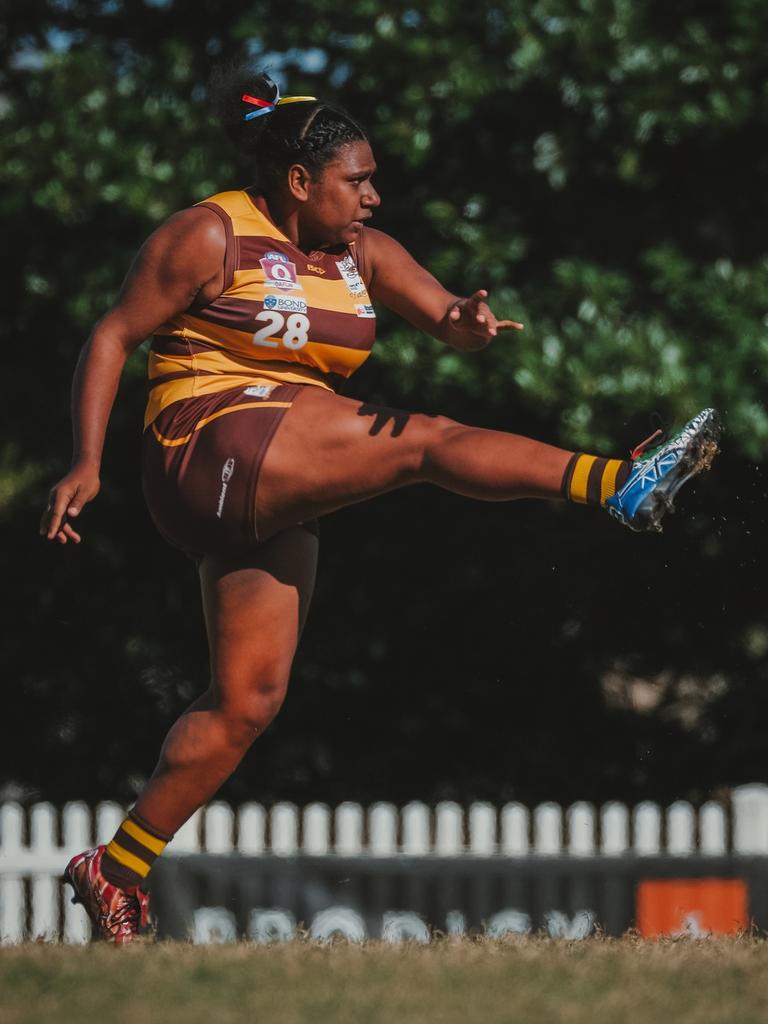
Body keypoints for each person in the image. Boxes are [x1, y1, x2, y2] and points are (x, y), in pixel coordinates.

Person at [41, 69, 720, 943]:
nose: (373, 195)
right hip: (202, 442)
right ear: (298, 181)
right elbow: (112, 335)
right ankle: (615, 484)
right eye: (356, 180)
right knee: (422, 440)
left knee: (248, 700)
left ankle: (117, 865)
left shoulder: (362, 253)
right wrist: (86, 461)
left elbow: (441, 313)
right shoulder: (209, 234)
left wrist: (464, 324)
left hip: (276, 465)